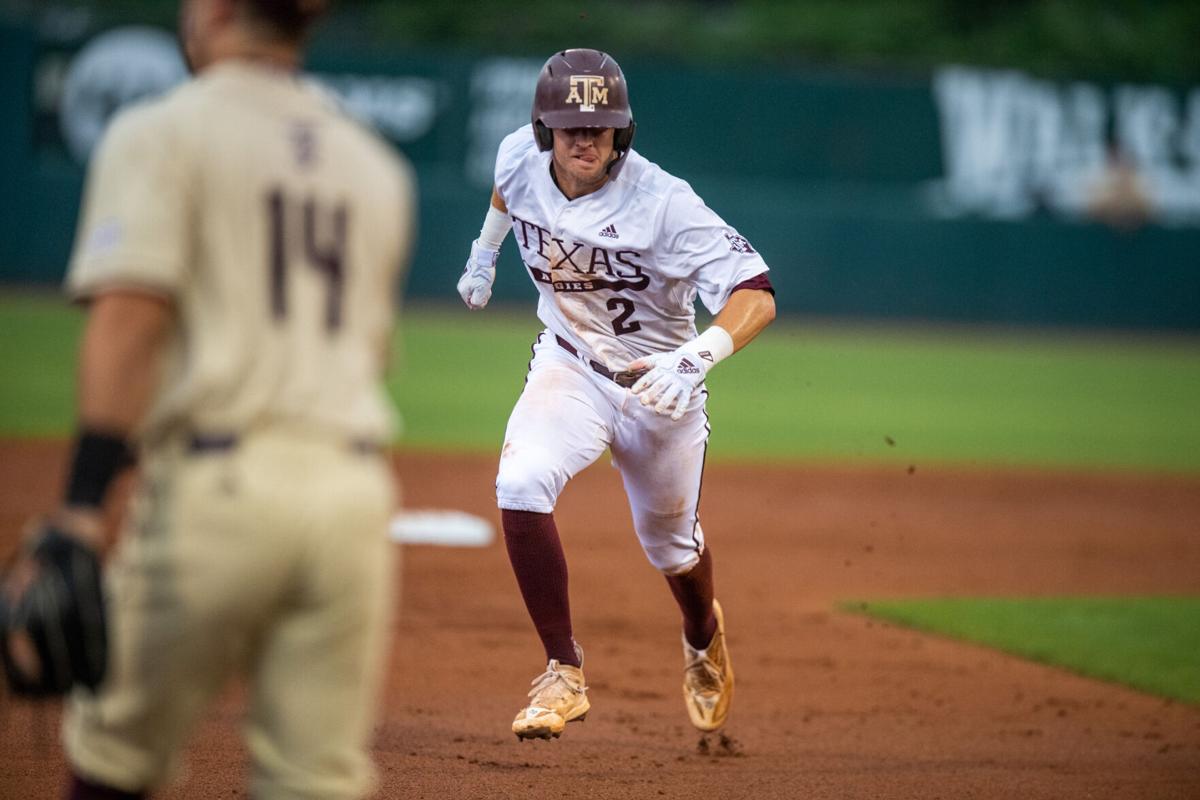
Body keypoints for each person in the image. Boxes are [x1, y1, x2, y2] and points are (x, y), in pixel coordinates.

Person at [0, 1, 415, 797]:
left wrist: (83, 508)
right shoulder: (374, 165)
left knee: (114, 756)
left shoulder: (162, 131)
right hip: (355, 499)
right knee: (315, 780)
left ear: (216, 10)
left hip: (216, 491)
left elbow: (130, 318)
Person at [457, 48, 776, 741]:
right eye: (568, 125)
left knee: (670, 545)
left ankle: (701, 636)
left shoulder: (663, 202)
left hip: (660, 386)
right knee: (520, 482)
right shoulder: (518, 155)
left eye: (598, 127)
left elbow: (756, 293)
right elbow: (506, 193)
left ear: (621, 132)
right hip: (569, 365)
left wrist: (694, 359)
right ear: (543, 129)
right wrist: (484, 254)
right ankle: (562, 670)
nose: (583, 138)